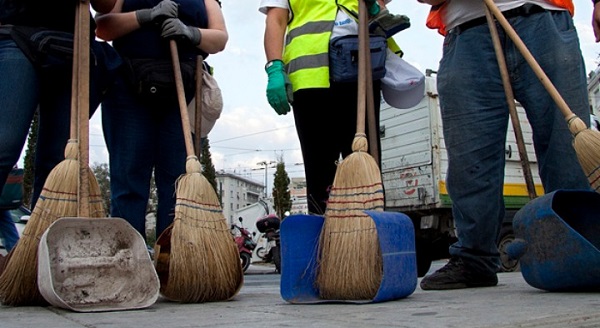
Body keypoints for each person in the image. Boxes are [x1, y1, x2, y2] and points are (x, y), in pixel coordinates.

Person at [416, 0, 592, 290]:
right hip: (467, 33)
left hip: (543, 18)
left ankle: (580, 246)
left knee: (567, 146)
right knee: (470, 158)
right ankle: (474, 259)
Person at [94, 0, 228, 243]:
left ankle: (172, 261)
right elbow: (103, 27)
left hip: (182, 91)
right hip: (128, 88)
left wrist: (190, 32)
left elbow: (219, 38)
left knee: (178, 184)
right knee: (128, 179)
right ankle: (127, 257)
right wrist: (147, 15)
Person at [260, 0, 408, 215]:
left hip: (362, 65)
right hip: (310, 75)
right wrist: (274, 66)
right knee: (319, 166)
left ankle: (368, 228)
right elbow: (276, 18)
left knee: (365, 161)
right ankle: (326, 232)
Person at [0, 0, 120, 221]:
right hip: (17, 33)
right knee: (4, 145)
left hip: (72, 44)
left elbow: (106, 5)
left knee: (57, 159)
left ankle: (39, 246)